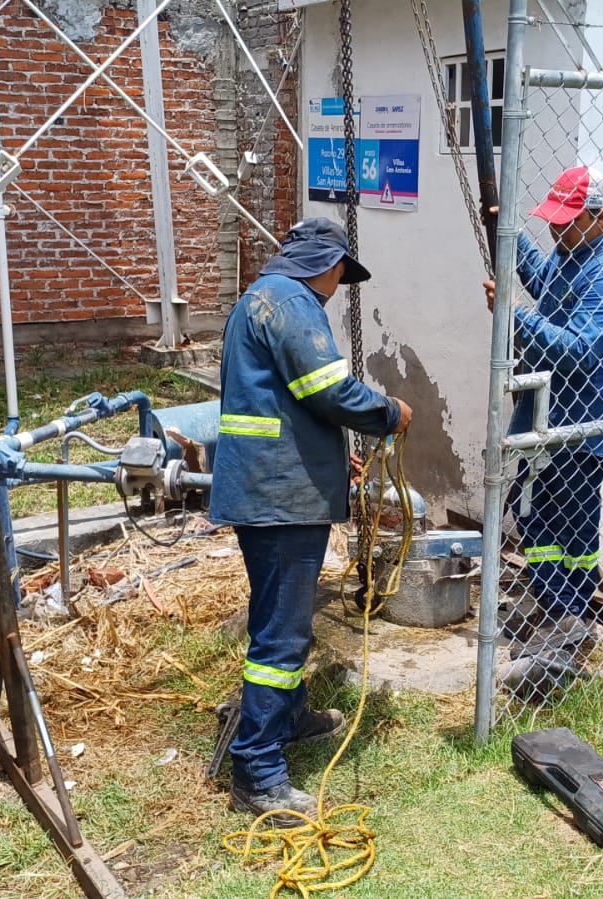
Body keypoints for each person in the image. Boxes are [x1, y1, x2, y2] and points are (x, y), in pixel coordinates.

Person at [210, 217, 413, 817]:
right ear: (327, 265)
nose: (337, 284)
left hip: (267, 486)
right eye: (340, 274)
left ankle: (289, 717)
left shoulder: (259, 298)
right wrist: (389, 412)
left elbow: (284, 402)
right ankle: (258, 771)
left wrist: (330, 455)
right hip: (280, 497)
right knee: (282, 633)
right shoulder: (295, 303)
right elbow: (330, 391)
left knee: (278, 617)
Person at [483, 165, 603, 694]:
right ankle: (555, 607)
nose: (556, 232)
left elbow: (580, 351)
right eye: (551, 223)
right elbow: (545, 282)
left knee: (569, 527)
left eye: (566, 223)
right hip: (545, 418)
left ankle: (569, 620)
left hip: (580, 427)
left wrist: (512, 316)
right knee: (534, 517)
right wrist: (514, 241)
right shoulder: (572, 253)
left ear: (600, 217)